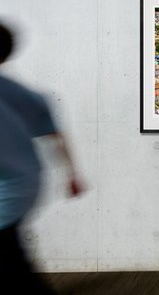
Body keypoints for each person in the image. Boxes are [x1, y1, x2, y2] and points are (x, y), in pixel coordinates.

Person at [0, 22, 84, 294]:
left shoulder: (15, 93)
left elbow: (53, 132)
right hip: (23, 183)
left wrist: (72, 174)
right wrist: (72, 174)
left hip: (11, 188)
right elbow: (55, 134)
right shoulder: (21, 93)